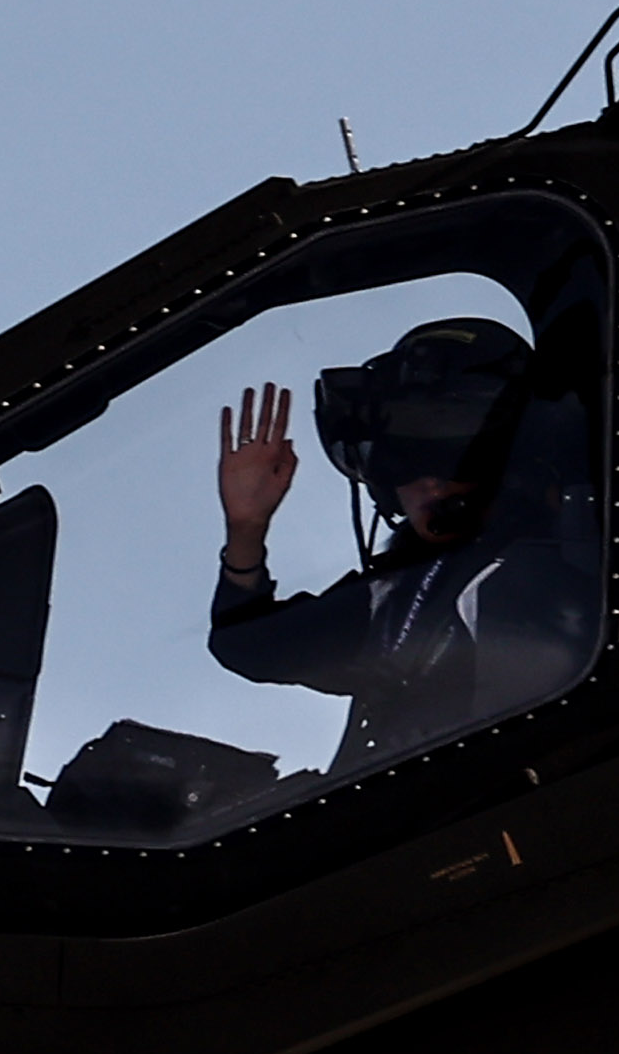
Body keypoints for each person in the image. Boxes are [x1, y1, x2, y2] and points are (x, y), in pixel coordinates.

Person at [205, 316, 598, 768]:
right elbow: (248, 648)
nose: (427, 482)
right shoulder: (394, 599)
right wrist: (247, 529)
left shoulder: (568, 555)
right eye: (400, 459)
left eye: (448, 452)